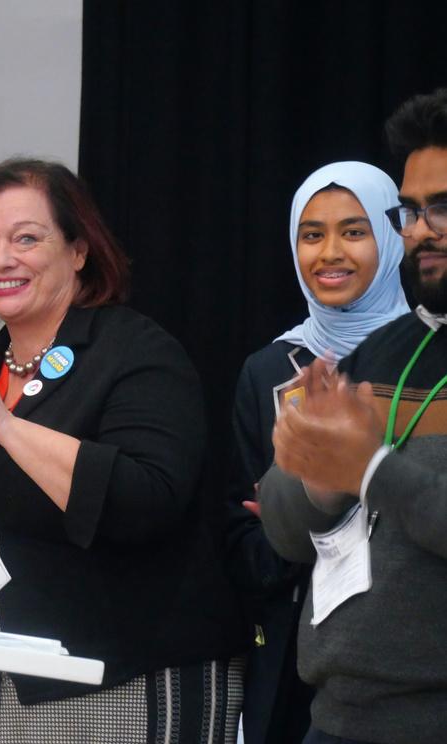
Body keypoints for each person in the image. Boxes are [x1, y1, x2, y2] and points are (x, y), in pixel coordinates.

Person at [0, 158, 243, 743]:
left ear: (78, 250)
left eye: (26, 238)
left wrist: (5, 425)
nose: (0, 259)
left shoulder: (137, 354)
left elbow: (147, 501)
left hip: (124, 682)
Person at [259, 88, 447, 744]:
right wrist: (316, 480)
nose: (420, 229)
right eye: (411, 210)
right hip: (339, 718)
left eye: (442, 206)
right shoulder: (385, 348)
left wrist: (366, 469)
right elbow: (283, 530)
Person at [226, 162, 408, 744]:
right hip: (291, 656)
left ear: (393, 238)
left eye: (354, 231)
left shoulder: (428, 359)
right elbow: (238, 536)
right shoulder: (267, 370)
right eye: (312, 234)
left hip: (406, 662)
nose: (330, 252)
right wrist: (295, 522)